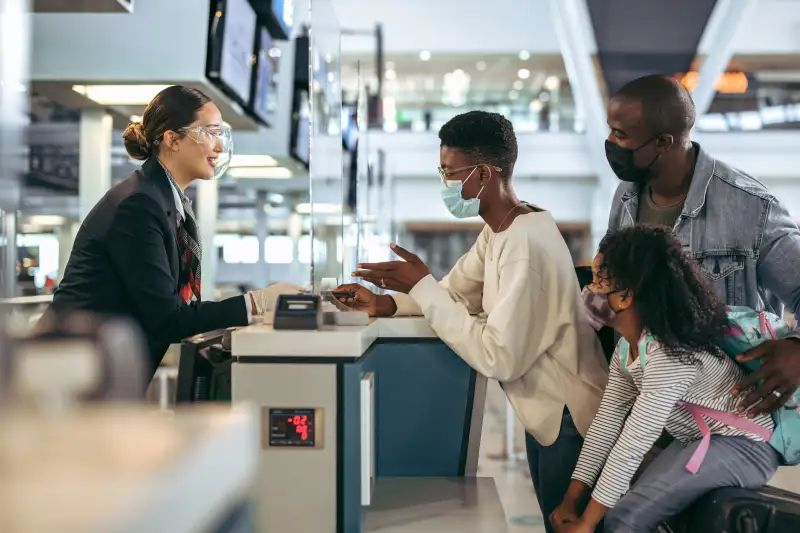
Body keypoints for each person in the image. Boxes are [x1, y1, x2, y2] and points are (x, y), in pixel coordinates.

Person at [336, 110, 609, 530]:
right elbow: (454, 292)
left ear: (482, 174)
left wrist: (421, 284)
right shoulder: (502, 229)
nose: (444, 184)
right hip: (548, 416)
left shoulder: (525, 243)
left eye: (449, 173)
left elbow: (499, 357)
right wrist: (387, 304)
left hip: (570, 419)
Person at [48, 86, 300, 382]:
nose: (218, 147)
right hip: (72, 374)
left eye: (221, 135)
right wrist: (256, 302)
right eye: (210, 132)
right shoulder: (139, 205)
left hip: (99, 369)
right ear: (173, 139)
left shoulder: (164, 200)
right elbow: (168, 319)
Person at [552, 225, 781, 533]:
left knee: (624, 518)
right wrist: (571, 500)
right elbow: (607, 423)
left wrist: (587, 523)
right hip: (701, 440)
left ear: (625, 295)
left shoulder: (669, 356)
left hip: (744, 445)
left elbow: (633, 442)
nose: (589, 291)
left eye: (597, 281)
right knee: (623, 509)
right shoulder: (628, 347)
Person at [604, 74, 800, 415]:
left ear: (663, 142)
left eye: (620, 135)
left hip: (724, 408)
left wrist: (797, 351)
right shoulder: (626, 196)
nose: (609, 142)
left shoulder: (749, 207)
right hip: (646, 403)